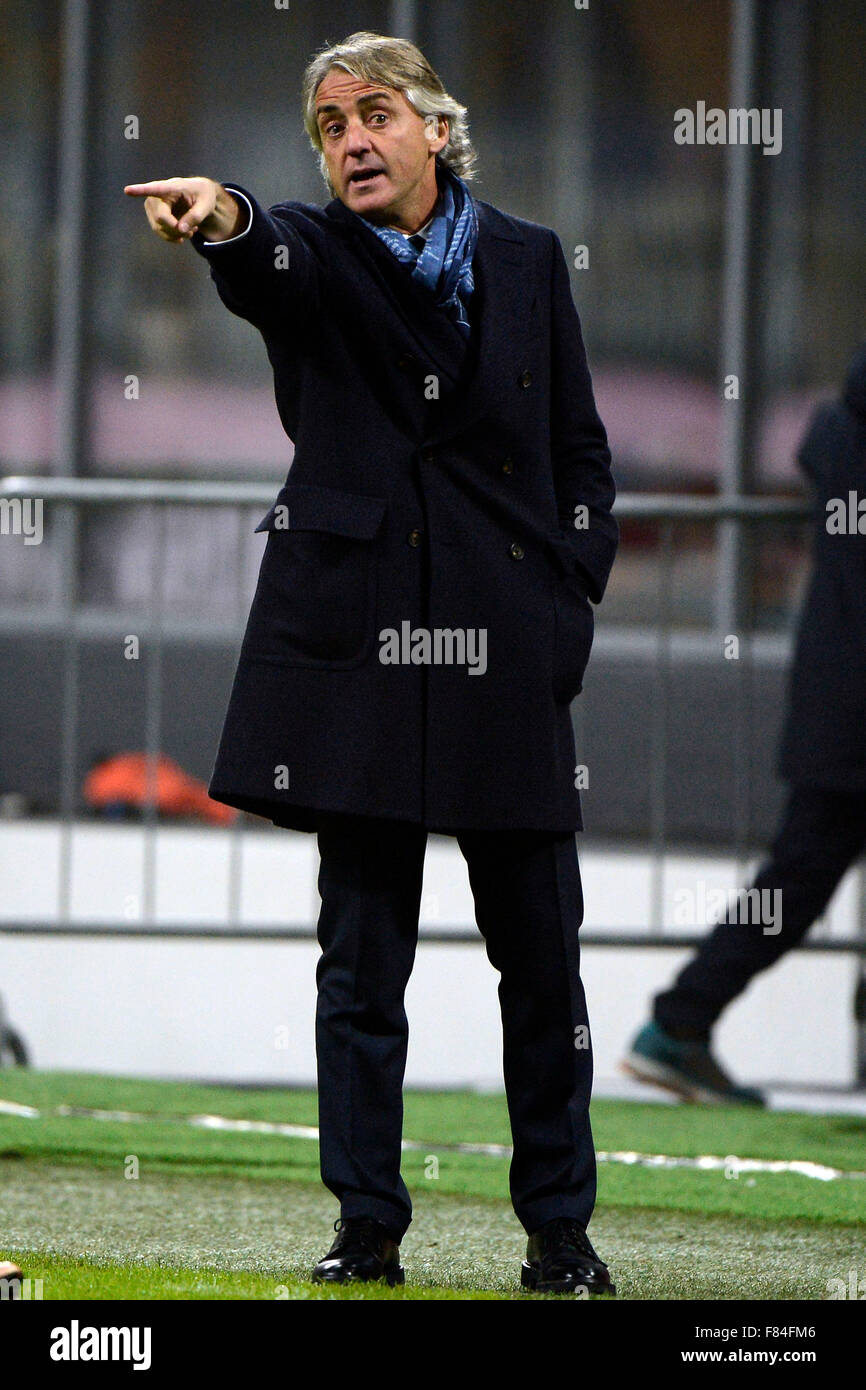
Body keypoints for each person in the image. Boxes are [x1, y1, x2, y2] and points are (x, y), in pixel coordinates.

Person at [125, 30, 618, 1295]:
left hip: (506, 646)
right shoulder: (312, 247)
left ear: (436, 131)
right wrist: (222, 213)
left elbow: (578, 452)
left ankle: (559, 1238)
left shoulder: (524, 257)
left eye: (375, 115)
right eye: (329, 124)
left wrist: (569, 601)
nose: (350, 139)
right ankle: (367, 1232)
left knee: (541, 960)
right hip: (360, 645)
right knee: (360, 966)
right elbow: (260, 256)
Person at [624, 343, 866, 1107]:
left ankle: (679, 1024)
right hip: (853, 707)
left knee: (798, 875)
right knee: (800, 875)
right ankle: (678, 1024)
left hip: (838, 700)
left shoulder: (838, 435)